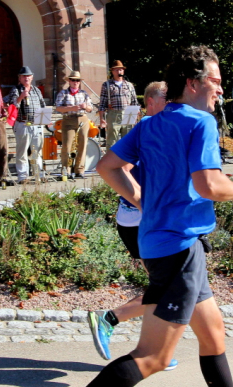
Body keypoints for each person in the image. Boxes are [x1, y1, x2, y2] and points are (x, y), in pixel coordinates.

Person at [35, 46, 233, 387]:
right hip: (179, 249)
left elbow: (108, 166)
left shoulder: (153, 122)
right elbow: (209, 185)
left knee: (213, 335)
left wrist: (143, 200)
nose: (220, 89)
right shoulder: (200, 122)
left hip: (163, 244)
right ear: (192, 82)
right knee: (153, 356)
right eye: (215, 81)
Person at [87, 81, 177, 371]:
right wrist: (141, 202)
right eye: (166, 99)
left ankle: (156, 351)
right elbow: (119, 168)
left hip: (142, 221)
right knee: (170, 288)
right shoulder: (148, 128)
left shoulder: (161, 127)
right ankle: (110, 319)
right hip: (140, 222)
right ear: (151, 102)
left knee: (168, 288)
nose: (172, 104)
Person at [7, 66, 46, 184]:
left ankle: (38, 174)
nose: (26, 78)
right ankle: (23, 176)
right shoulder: (16, 90)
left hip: (36, 123)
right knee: (22, 151)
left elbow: (42, 105)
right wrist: (21, 97)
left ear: (32, 77)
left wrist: (44, 121)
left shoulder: (37, 90)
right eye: (24, 76)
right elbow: (13, 106)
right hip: (22, 123)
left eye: (28, 76)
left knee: (37, 151)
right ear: (19, 78)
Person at [54, 70, 92, 180]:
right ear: (69, 81)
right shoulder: (63, 93)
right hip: (69, 119)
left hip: (82, 119)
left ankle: (79, 170)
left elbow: (90, 108)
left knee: (82, 144)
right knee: (67, 145)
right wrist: (71, 108)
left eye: (77, 80)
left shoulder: (84, 93)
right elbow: (58, 108)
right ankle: (66, 170)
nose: (75, 82)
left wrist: (85, 107)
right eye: (73, 80)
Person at [99, 60, 139, 149]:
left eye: (120, 70)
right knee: (112, 141)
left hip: (128, 113)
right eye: (116, 70)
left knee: (128, 141)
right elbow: (102, 103)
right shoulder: (107, 85)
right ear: (112, 71)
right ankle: (111, 158)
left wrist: (135, 118)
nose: (119, 72)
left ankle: (126, 158)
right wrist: (101, 119)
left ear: (123, 71)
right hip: (113, 114)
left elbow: (134, 102)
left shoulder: (129, 85)